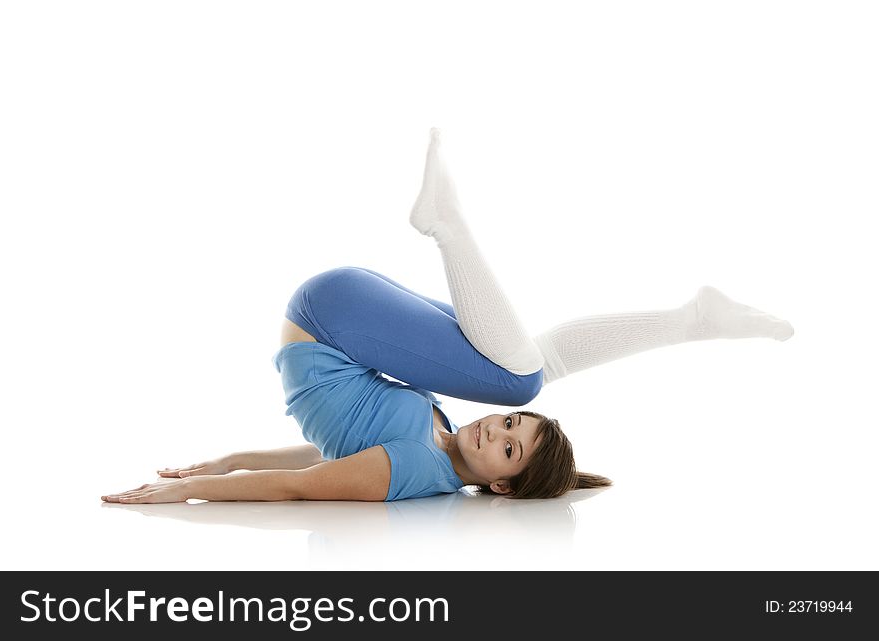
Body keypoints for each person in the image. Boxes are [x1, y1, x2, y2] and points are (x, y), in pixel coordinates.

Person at [102, 128, 794, 505]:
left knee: (524, 373)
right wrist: (224, 458)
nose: (500, 425)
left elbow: (304, 482)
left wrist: (191, 491)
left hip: (329, 320)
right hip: (348, 313)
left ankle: (450, 226)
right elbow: (328, 449)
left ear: (497, 483)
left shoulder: (414, 473)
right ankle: (694, 319)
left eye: (509, 446)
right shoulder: (436, 435)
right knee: (527, 360)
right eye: (513, 427)